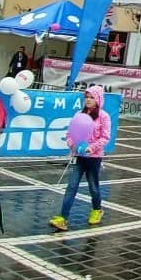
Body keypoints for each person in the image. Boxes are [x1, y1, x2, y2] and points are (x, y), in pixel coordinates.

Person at [50, 85, 112, 231]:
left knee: (93, 187)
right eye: (86, 97)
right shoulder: (79, 114)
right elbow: (70, 134)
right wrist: (73, 145)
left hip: (94, 158)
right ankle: (63, 218)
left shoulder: (104, 116)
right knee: (71, 186)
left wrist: (91, 148)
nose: (88, 100)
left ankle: (97, 210)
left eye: (92, 97)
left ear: (98, 99)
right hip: (78, 157)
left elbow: (105, 137)